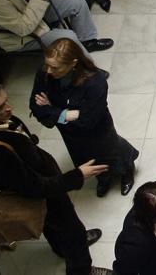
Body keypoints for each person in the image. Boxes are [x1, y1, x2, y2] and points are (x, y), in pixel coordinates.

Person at [0, 80, 111, 275]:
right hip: (39, 189)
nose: (9, 108)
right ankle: (81, 270)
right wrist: (77, 176)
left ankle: (60, 248)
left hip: (35, 175)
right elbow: (36, 187)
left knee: (49, 223)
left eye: (6, 101)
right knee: (71, 230)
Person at [29, 38, 138, 197]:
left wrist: (51, 108)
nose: (48, 71)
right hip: (69, 132)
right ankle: (103, 178)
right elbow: (35, 106)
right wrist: (66, 114)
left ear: (73, 63)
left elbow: (87, 121)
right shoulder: (45, 73)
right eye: (47, 65)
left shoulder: (95, 82)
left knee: (111, 152)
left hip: (98, 130)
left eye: (55, 67)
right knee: (86, 158)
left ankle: (126, 172)